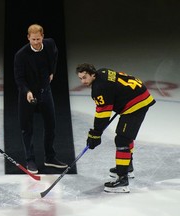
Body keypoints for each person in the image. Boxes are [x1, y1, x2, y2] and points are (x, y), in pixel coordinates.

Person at [76, 63, 155, 193]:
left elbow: (103, 115)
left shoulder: (98, 89)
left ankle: (122, 180)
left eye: (85, 77)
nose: (83, 81)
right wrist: (121, 99)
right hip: (139, 94)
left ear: (93, 74)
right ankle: (127, 167)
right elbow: (118, 85)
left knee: (122, 139)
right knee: (125, 136)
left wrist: (95, 134)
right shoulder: (103, 72)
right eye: (80, 78)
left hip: (136, 104)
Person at [14, 24, 68, 174]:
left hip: (45, 90)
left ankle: (50, 157)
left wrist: (52, 72)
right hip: (28, 93)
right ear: (28, 38)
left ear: (43, 36)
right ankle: (30, 160)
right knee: (27, 128)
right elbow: (19, 78)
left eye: (38, 39)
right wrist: (27, 92)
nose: (36, 42)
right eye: (33, 39)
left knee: (51, 125)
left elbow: (55, 57)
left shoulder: (50, 44)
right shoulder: (21, 55)